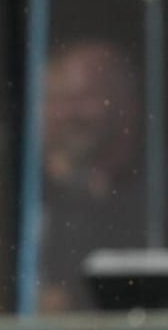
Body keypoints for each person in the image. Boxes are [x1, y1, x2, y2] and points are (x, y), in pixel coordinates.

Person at [38, 39, 146, 311]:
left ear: (127, 104)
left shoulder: (152, 189)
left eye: (83, 98)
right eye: (57, 101)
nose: (68, 114)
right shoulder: (37, 191)